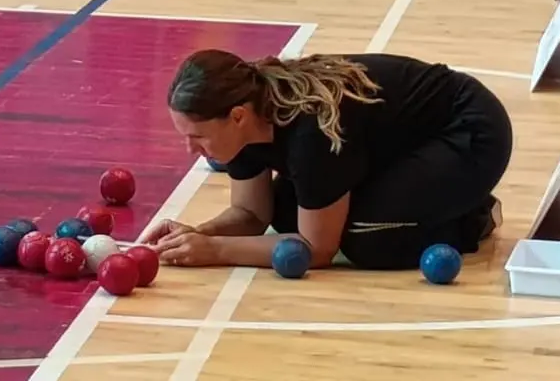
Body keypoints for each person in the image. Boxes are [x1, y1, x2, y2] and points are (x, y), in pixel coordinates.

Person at [148, 51, 510, 271]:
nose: (190, 149)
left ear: (238, 116)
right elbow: (253, 215)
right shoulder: (246, 120)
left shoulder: (312, 133)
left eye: (197, 136)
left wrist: (215, 251)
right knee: (285, 212)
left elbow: (318, 250)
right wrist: (197, 234)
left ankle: (471, 217)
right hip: (398, 142)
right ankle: (426, 199)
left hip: (468, 131)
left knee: (363, 239)